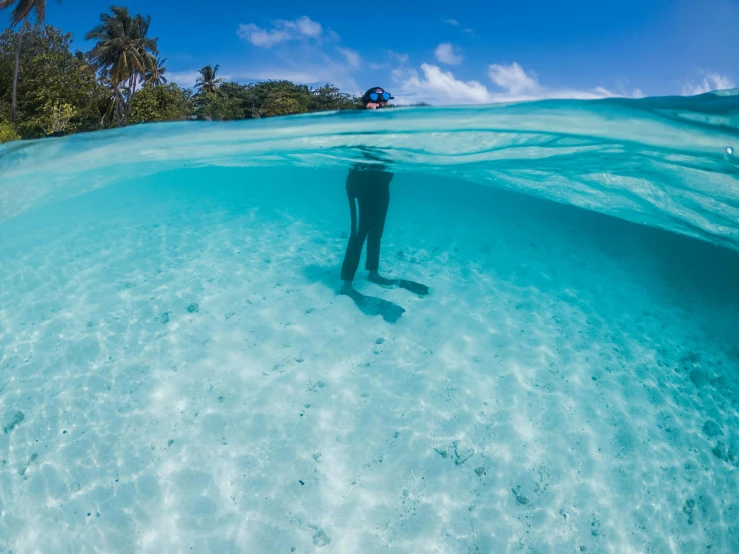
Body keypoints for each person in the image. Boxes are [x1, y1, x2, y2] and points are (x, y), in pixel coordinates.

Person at [338, 88, 428, 321]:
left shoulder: (390, 128)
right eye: (376, 98)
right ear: (365, 101)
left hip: (381, 187)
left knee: (376, 232)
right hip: (359, 187)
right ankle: (347, 285)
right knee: (359, 234)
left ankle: (373, 274)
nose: (381, 103)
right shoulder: (357, 122)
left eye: (385, 99)